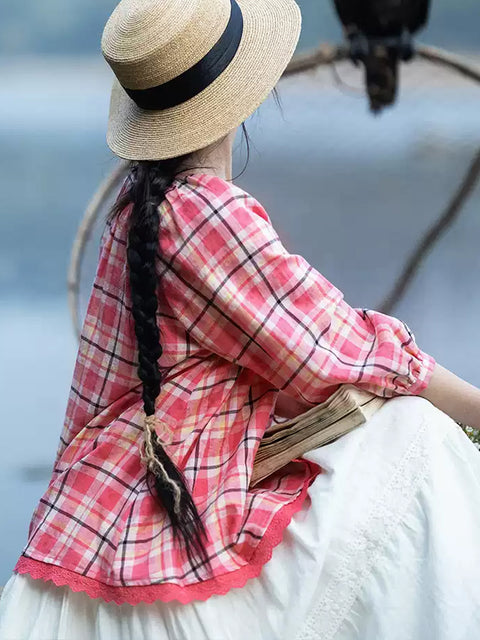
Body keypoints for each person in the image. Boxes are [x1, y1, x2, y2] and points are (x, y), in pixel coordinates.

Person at [1, 0, 480, 638]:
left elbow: (89, 402)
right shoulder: (210, 214)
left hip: (80, 529)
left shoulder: (136, 207)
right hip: (160, 546)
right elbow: (342, 351)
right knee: (417, 435)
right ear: (239, 100)